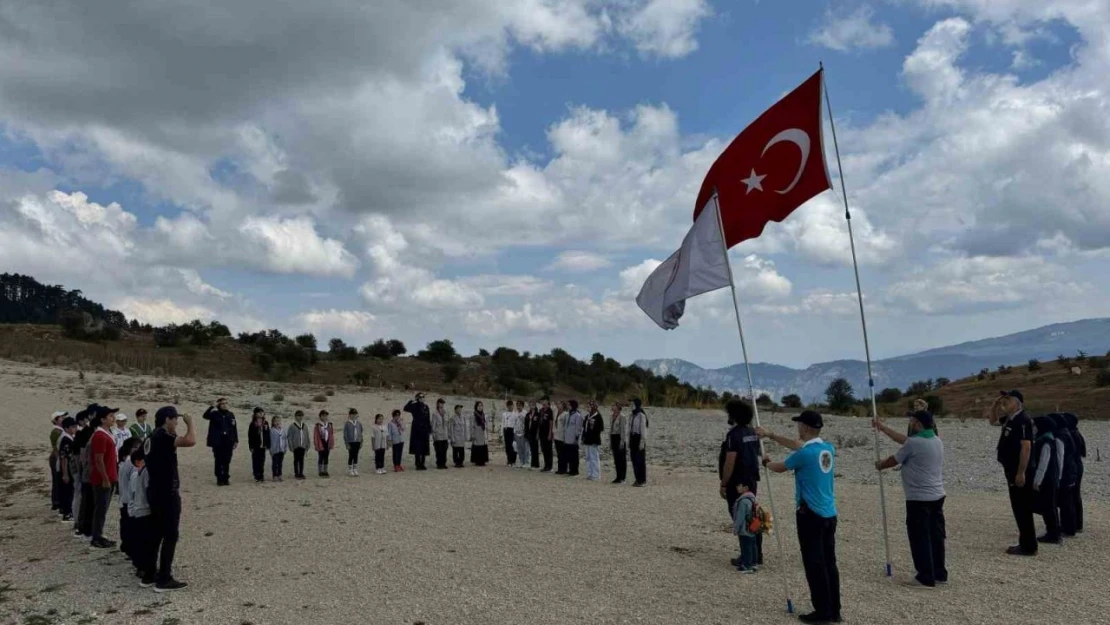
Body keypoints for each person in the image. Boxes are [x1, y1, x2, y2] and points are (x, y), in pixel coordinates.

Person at [759, 411, 840, 625]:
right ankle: (834, 609)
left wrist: (766, 462)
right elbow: (797, 445)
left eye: (799, 425)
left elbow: (781, 467)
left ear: (804, 427)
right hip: (830, 513)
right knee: (830, 563)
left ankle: (823, 612)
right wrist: (770, 435)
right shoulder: (827, 449)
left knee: (815, 564)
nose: (797, 429)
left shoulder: (805, 454)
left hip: (810, 514)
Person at [874, 410, 948, 588]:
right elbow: (904, 440)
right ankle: (939, 573)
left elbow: (895, 459)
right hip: (937, 495)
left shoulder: (915, 443)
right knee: (936, 535)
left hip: (919, 498)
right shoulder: (936, 440)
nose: (911, 424)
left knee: (919, 536)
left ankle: (925, 576)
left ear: (919, 424)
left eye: (912, 421)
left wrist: (880, 465)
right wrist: (882, 428)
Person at [144, 405, 196, 592]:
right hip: (166, 492)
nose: (176, 422)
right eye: (175, 419)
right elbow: (190, 441)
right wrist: (190, 423)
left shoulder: (150, 437)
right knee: (170, 535)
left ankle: (149, 574)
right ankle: (164, 578)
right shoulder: (163, 436)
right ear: (167, 419)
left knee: (156, 533)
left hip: (154, 490)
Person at [989, 390, 1036, 556]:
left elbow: (1026, 447)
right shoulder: (1010, 419)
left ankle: (1028, 546)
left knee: (1022, 507)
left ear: (1017, 403)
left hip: (1019, 470)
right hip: (1010, 469)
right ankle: (1026, 543)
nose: (1004, 404)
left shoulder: (1023, 420)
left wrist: (1021, 472)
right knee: (1018, 507)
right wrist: (995, 405)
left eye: (1007, 401)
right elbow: (992, 421)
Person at [719, 399, 762, 567]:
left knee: (741, 517)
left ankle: (747, 558)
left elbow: (730, 461)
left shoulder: (734, 435)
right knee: (752, 516)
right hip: (751, 480)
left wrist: (724, 483)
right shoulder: (752, 433)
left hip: (737, 482)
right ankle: (756, 554)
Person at [89, 406, 121, 549]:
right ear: (102, 419)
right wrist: (105, 478)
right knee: (100, 508)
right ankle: (96, 537)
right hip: (103, 478)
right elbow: (98, 459)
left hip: (111, 474)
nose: (113, 418)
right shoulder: (100, 436)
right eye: (110, 416)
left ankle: (99, 534)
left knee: (104, 507)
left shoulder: (108, 433)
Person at [1031, 415, 1062, 545]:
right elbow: (1060, 460)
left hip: (1046, 479)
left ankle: (1052, 534)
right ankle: (1054, 531)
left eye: (1035, 426)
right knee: (1051, 506)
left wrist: (1037, 481)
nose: (1033, 428)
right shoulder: (1053, 440)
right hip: (1052, 478)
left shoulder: (1044, 442)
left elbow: (1043, 463)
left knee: (1048, 506)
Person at [1049, 414, 1078, 537]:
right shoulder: (1067, 433)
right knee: (1068, 501)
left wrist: (1058, 477)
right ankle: (1070, 527)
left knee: (1065, 502)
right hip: (1071, 470)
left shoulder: (1060, 438)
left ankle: (1067, 528)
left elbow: (1060, 459)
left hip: (1065, 473)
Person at [128, 447, 151, 580]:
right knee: (143, 542)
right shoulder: (137, 475)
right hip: (140, 511)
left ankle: (142, 566)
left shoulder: (139, 473)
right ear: (138, 462)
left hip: (137, 510)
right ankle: (143, 567)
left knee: (141, 541)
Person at [203, 398, 238, 486]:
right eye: (222, 403)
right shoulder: (214, 414)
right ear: (219, 405)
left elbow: (234, 428)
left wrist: (236, 440)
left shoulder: (231, 415)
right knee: (218, 459)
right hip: (218, 441)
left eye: (226, 403)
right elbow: (205, 416)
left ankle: (226, 477)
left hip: (228, 441)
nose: (224, 405)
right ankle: (219, 478)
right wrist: (211, 406)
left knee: (227, 459)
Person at [117, 436, 142, 559]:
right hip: (129, 500)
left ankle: (127, 547)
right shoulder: (131, 463)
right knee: (131, 528)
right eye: (136, 447)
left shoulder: (124, 462)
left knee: (126, 525)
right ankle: (132, 551)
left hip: (124, 498)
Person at [1062, 413, 1086, 532]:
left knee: (1071, 495)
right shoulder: (1076, 433)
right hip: (1077, 466)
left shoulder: (1070, 434)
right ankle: (1077, 523)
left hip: (1073, 467)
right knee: (1075, 495)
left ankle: (1072, 524)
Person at [732, 482, 759, 574]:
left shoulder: (743, 501)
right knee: (752, 545)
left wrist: (736, 528)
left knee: (745, 547)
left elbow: (740, 516)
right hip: (752, 527)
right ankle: (754, 563)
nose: (737, 487)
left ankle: (747, 565)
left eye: (739, 485)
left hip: (744, 528)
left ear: (746, 488)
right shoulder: (752, 498)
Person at [56, 416, 78, 521]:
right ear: (67, 427)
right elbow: (63, 457)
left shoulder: (70, 437)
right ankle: (67, 513)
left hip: (70, 467)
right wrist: (65, 473)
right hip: (67, 468)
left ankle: (67, 510)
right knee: (67, 490)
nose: (75, 428)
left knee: (69, 490)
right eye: (73, 426)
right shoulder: (65, 439)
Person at [404, 393, 432, 470]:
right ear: (417, 398)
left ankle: (422, 463)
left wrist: (429, 429)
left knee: (424, 446)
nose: (422, 398)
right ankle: (417, 463)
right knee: (417, 447)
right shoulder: (415, 406)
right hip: (416, 428)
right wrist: (412, 401)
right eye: (420, 397)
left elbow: (428, 418)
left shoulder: (426, 407)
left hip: (424, 429)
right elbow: (405, 408)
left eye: (423, 397)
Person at [581, 400, 605, 481]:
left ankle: (596, 475)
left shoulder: (598, 416)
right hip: (587, 440)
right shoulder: (587, 416)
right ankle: (590, 473)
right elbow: (584, 428)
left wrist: (593, 428)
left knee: (594, 457)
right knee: (588, 457)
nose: (587, 408)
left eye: (589, 407)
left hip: (594, 440)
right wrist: (583, 437)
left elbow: (600, 428)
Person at [49, 411, 67, 512]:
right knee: (57, 480)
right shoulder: (56, 431)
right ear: (56, 420)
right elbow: (56, 448)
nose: (63, 418)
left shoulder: (61, 430)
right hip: (56, 458)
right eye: (61, 417)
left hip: (59, 457)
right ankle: (56, 502)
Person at [629, 398, 649, 487]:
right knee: (633, 459)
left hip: (639, 438)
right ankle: (637, 479)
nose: (631, 405)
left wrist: (642, 441)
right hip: (632, 438)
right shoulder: (632, 415)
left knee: (640, 459)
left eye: (632, 404)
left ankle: (642, 480)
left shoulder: (641, 416)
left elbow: (643, 429)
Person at [247, 408, 270, 483]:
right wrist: (251, 446)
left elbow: (268, 434)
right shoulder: (253, 424)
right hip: (255, 445)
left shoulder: (265, 423)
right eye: (259, 412)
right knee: (256, 460)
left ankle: (261, 475)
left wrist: (268, 444)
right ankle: (256, 475)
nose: (261, 414)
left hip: (263, 445)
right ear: (255, 414)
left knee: (262, 460)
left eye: (262, 412)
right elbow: (250, 436)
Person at [287, 410, 310, 480]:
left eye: (301, 416)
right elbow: (289, 437)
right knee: (296, 460)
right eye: (298, 416)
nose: (300, 417)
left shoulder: (305, 426)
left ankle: (301, 473)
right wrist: (291, 446)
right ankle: (296, 473)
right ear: (295, 416)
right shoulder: (292, 426)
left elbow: (307, 436)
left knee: (301, 460)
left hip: (302, 445)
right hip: (296, 446)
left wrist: (307, 444)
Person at [610, 403, 628, 484]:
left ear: (618, 407)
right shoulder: (612, 416)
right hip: (613, 437)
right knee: (616, 459)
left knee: (621, 459)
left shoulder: (622, 416)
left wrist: (622, 441)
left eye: (614, 406)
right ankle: (618, 476)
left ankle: (622, 477)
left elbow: (623, 430)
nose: (612, 407)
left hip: (619, 437)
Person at [564, 400, 583, 477]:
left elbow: (578, 428)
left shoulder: (577, 415)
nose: (568, 406)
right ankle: (571, 469)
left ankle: (575, 470)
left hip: (573, 439)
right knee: (568, 455)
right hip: (567, 438)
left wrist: (576, 437)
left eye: (569, 405)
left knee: (574, 455)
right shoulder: (568, 414)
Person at [314, 410, 335, 478]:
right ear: (320, 417)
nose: (325, 417)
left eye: (326, 415)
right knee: (321, 457)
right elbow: (316, 436)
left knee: (326, 457)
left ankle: (325, 470)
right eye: (323, 416)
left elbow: (331, 434)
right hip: (321, 442)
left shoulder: (329, 425)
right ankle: (320, 471)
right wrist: (317, 445)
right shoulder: (318, 425)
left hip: (327, 442)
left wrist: (331, 443)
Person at [431, 399, 450, 470]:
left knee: (444, 450)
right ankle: (439, 463)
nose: (441, 405)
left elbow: (447, 424)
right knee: (439, 450)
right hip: (438, 435)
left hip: (445, 434)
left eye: (443, 403)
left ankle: (444, 463)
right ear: (438, 404)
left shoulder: (446, 413)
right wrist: (434, 435)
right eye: (440, 403)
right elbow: (433, 425)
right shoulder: (435, 414)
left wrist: (448, 434)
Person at [448, 404, 469, 468]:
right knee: (455, 450)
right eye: (458, 408)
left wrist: (466, 436)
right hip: (456, 436)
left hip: (461, 437)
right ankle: (456, 462)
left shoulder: (463, 417)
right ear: (455, 410)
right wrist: (452, 438)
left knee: (461, 450)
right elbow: (451, 428)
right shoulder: (452, 418)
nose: (460, 410)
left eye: (460, 408)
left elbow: (465, 427)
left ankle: (461, 462)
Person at [344, 409, 364, 477]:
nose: (353, 416)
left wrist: (361, 441)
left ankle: (355, 468)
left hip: (357, 441)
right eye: (352, 414)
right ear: (349, 415)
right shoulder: (347, 423)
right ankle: (350, 470)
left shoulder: (358, 423)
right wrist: (347, 443)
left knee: (356, 455)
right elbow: (345, 434)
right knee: (351, 455)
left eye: (355, 414)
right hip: (351, 442)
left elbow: (361, 432)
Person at [470, 402, 490, 466]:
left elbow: (486, 424)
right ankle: (477, 461)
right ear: (476, 407)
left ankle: (483, 460)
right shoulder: (474, 415)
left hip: (482, 432)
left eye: (481, 405)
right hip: (477, 433)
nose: (480, 407)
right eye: (479, 406)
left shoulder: (483, 415)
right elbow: (471, 426)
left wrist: (487, 432)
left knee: (483, 446)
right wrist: (472, 434)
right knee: (477, 446)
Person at [269, 415, 287, 482]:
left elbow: (285, 439)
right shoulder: (271, 431)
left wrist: (285, 448)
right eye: (276, 421)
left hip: (281, 449)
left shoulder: (283, 430)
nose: (277, 422)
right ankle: (275, 475)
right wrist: (271, 450)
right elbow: (270, 441)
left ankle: (280, 475)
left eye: (278, 421)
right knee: (274, 463)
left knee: (280, 463)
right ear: (273, 422)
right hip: (274, 450)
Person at [538, 400, 555, 472]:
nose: (544, 405)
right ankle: (545, 465)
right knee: (544, 449)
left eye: (545, 404)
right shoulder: (541, 410)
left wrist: (550, 433)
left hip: (547, 432)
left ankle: (549, 466)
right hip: (541, 432)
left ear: (548, 404)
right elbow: (539, 421)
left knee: (548, 450)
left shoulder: (550, 411)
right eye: (543, 404)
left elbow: (551, 423)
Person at [501, 400, 518, 467]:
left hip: (513, 430)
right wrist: (501, 433)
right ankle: (509, 460)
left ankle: (513, 460)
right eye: (509, 406)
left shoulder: (515, 414)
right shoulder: (504, 414)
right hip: (506, 429)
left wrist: (515, 432)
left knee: (513, 445)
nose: (510, 407)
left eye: (511, 405)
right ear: (507, 406)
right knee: (507, 446)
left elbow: (516, 423)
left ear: (513, 406)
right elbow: (502, 423)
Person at [553, 401, 568, 475]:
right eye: (558, 404)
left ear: (563, 406)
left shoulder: (565, 414)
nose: (558, 405)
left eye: (560, 404)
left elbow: (566, 426)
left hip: (562, 436)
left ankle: (564, 469)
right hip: (556, 435)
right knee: (558, 453)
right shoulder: (556, 412)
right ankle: (560, 468)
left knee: (562, 453)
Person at [526, 401, 541, 469]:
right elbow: (526, 424)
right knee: (531, 448)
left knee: (535, 448)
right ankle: (532, 463)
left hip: (535, 433)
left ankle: (536, 464)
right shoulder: (528, 414)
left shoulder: (537, 414)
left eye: (533, 405)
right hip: (529, 432)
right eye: (530, 405)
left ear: (535, 406)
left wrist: (538, 434)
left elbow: (538, 425)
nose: (531, 407)